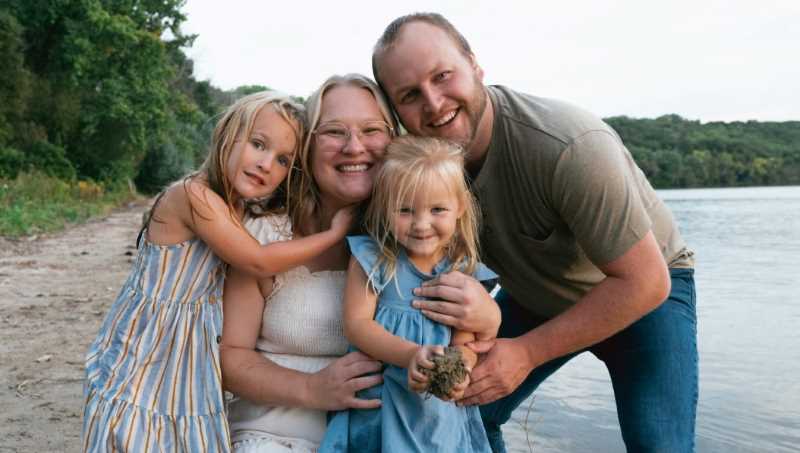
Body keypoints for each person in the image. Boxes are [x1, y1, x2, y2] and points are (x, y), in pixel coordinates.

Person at [372, 13, 698, 453]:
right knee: (468, 411)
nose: (433, 103)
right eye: (410, 95)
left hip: (642, 290)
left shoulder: (568, 145)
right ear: (396, 112)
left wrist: (525, 354)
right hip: (535, 293)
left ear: (475, 65)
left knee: (659, 444)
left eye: (443, 76)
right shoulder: (422, 170)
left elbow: (646, 281)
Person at [81, 91, 354, 452]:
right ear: (227, 134)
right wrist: (333, 234)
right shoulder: (193, 196)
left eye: (283, 160)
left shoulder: (237, 207)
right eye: (258, 144)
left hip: (185, 352)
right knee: (134, 432)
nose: (266, 164)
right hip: (149, 347)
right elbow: (258, 260)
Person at [320, 136, 497, 452]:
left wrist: (461, 370)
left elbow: (466, 344)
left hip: (436, 417)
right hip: (380, 406)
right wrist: (410, 356)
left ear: (460, 207)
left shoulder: (463, 273)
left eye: (437, 209)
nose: (421, 224)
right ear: (384, 208)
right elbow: (358, 325)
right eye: (405, 210)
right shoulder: (371, 258)